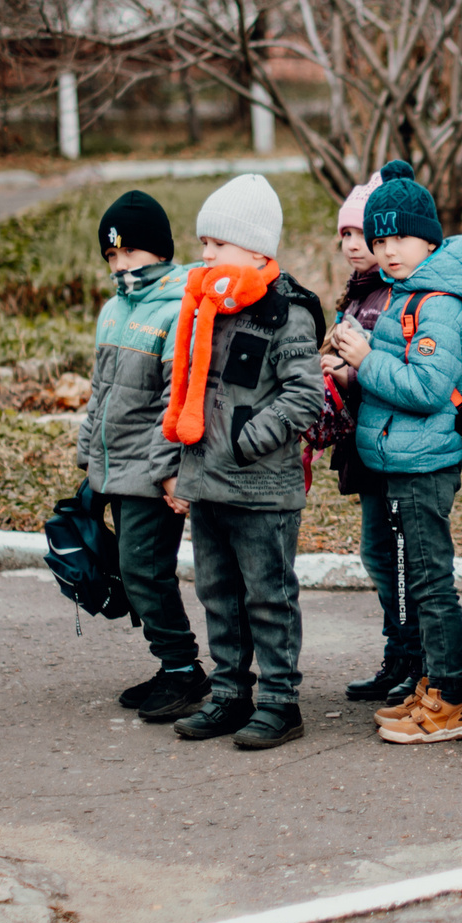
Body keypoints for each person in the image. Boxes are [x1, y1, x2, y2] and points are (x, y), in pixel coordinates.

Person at [325, 161, 462, 745]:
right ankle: (428, 684)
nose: (387, 249)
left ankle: (448, 701)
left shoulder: (439, 303)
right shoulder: (408, 294)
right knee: (415, 580)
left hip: (424, 465)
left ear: (429, 236)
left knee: (429, 583)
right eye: (379, 238)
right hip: (398, 461)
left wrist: (364, 357)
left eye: (400, 237)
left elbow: (426, 390)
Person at [159, 173, 327, 749]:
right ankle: (229, 694)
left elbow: (305, 395)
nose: (205, 255)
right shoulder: (203, 307)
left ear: (258, 251)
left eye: (219, 245)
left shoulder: (288, 313)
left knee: (268, 598)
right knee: (218, 596)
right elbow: (183, 387)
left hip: (263, 490)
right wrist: (181, 465)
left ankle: (281, 703)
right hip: (208, 484)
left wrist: (247, 440)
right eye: (203, 244)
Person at [79, 190, 206, 725]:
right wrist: (88, 458)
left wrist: (168, 469)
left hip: (151, 473)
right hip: (115, 468)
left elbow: (174, 397)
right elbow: (100, 388)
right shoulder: (113, 310)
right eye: (111, 256)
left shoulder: (178, 307)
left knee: (144, 571)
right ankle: (170, 663)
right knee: (132, 574)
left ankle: (182, 668)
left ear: (159, 250)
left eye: (130, 252)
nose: (121, 264)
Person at [327, 170, 423, 707]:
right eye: (346, 235)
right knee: (378, 553)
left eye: (366, 234)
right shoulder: (358, 292)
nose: (355, 245)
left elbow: (400, 373)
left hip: (396, 444)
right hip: (364, 443)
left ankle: (414, 658)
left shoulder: (399, 293)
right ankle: (398, 653)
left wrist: (351, 369)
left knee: (399, 557)